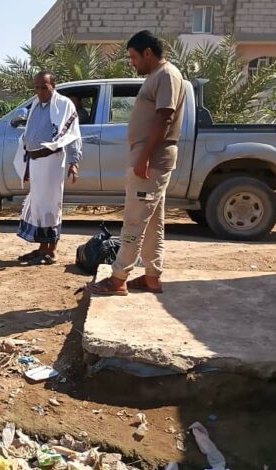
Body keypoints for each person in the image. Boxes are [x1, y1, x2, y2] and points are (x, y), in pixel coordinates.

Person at [88, 30, 186, 296]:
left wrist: (144, 157)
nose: (132, 63)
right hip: (149, 159)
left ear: (148, 52)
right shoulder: (157, 76)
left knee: (134, 220)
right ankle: (152, 278)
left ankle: (118, 278)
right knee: (152, 222)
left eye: (133, 57)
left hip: (151, 161)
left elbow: (164, 117)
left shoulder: (166, 75)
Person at [13, 71, 82, 265]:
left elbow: (73, 135)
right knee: (38, 205)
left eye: (44, 87)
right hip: (35, 163)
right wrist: (26, 166)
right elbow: (28, 137)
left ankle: (52, 251)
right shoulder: (35, 105)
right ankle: (42, 248)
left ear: (54, 85)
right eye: (36, 87)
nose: (40, 91)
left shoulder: (64, 105)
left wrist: (74, 163)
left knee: (51, 205)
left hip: (52, 161)